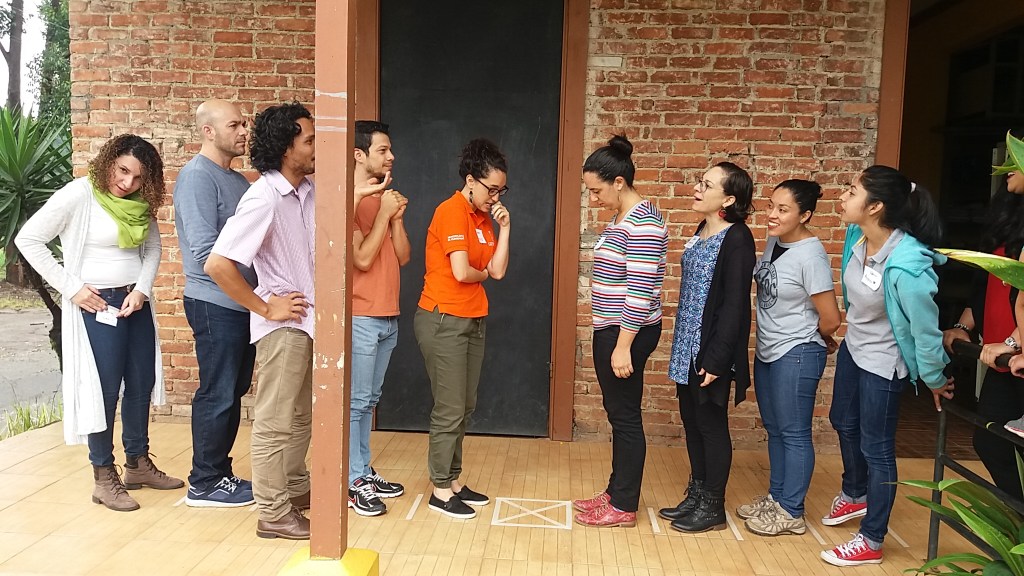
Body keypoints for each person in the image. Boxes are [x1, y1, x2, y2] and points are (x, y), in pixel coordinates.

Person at [15, 134, 183, 512]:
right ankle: (103, 477)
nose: (127, 182)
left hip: (134, 303)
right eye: (122, 171)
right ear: (108, 161)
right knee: (103, 391)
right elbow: (29, 239)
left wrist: (142, 289)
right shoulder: (80, 195)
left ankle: (137, 464)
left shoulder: (139, 202)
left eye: (138, 178)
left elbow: (152, 248)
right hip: (97, 306)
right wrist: (72, 288)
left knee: (141, 383)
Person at [820, 165, 953, 567]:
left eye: (852, 191)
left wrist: (934, 377)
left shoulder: (909, 265)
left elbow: (925, 331)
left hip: (884, 361)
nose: (843, 196)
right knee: (842, 420)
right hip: (855, 348)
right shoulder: (857, 237)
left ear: (875, 206)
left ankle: (872, 539)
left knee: (876, 447)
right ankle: (856, 493)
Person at [205, 102, 316, 540]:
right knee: (274, 421)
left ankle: (294, 488)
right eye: (309, 140)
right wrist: (267, 307)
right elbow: (218, 264)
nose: (316, 147)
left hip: (309, 323)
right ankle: (273, 512)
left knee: (301, 416)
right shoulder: (263, 196)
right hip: (284, 328)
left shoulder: (309, 190)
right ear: (287, 148)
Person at [571, 135, 668, 528]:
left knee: (625, 417)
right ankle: (615, 492)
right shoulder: (623, 218)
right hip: (613, 329)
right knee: (618, 413)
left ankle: (624, 505)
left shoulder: (643, 224)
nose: (593, 199)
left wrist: (623, 345)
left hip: (626, 332)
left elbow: (640, 291)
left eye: (596, 191)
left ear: (619, 182)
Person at [738, 179, 841, 536]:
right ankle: (777, 498)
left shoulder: (811, 255)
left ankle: (791, 511)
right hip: (769, 349)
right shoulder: (775, 241)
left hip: (796, 353)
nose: (772, 214)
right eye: (771, 206)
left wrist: (815, 337)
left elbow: (831, 318)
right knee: (775, 429)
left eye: (783, 210)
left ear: (805, 215)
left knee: (794, 433)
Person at [415, 138, 511, 519]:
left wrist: (505, 228)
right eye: (491, 189)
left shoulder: (483, 219)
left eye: (501, 191)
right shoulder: (451, 210)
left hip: (472, 318)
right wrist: (481, 273)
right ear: (471, 180)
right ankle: (440, 489)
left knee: (465, 405)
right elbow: (461, 271)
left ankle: (453, 480)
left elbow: (497, 271)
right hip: (444, 319)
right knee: (450, 406)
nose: (495, 197)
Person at [660, 162, 756, 533]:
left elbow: (734, 304)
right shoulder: (702, 229)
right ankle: (697, 493)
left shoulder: (738, 238)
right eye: (700, 182)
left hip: (711, 351)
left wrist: (717, 358)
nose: (697, 188)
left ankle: (713, 505)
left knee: (711, 425)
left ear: (729, 199)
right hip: (687, 345)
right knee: (692, 421)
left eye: (707, 185)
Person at [174, 99, 257, 508]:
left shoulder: (238, 181)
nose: (244, 131)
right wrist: (254, 298)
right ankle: (204, 481)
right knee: (218, 392)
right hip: (214, 303)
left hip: (241, 304)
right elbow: (206, 252)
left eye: (244, 124)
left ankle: (219, 472)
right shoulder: (196, 177)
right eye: (234, 125)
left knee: (233, 390)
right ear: (208, 131)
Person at [942, 133, 1024, 494]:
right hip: (1002, 356)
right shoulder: (1005, 217)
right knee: (990, 441)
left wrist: (1013, 342)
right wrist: (963, 325)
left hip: (1013, 351)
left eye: (1015, 159)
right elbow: (985, 283)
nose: (1005, 167)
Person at [347, 120, 410, 516]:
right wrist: (385, 214)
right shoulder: (350, 201)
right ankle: (353, 480)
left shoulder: (382, 199)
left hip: (388, 314)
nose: (391, 157)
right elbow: (362, 259)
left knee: (369, 401)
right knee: (355, 402)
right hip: (361, 315)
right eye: (382, 150)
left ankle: (363, 470)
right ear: (359, 154)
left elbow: (403, 255)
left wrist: (395, 218)